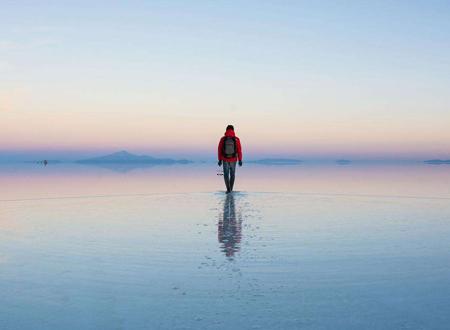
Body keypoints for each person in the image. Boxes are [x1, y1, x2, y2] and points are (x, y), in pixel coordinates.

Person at [217, 125, 242, 193]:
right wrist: (240, 160)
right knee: (232, 175)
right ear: (233, 130)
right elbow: (239, 150)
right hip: (233, 160)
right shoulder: (236, 139)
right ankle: (231, 189)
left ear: (226, 130)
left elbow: (219, 149)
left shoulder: (223, 139)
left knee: (226, 175)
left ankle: (228, 189)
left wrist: (219, 160)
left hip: (225, 159)